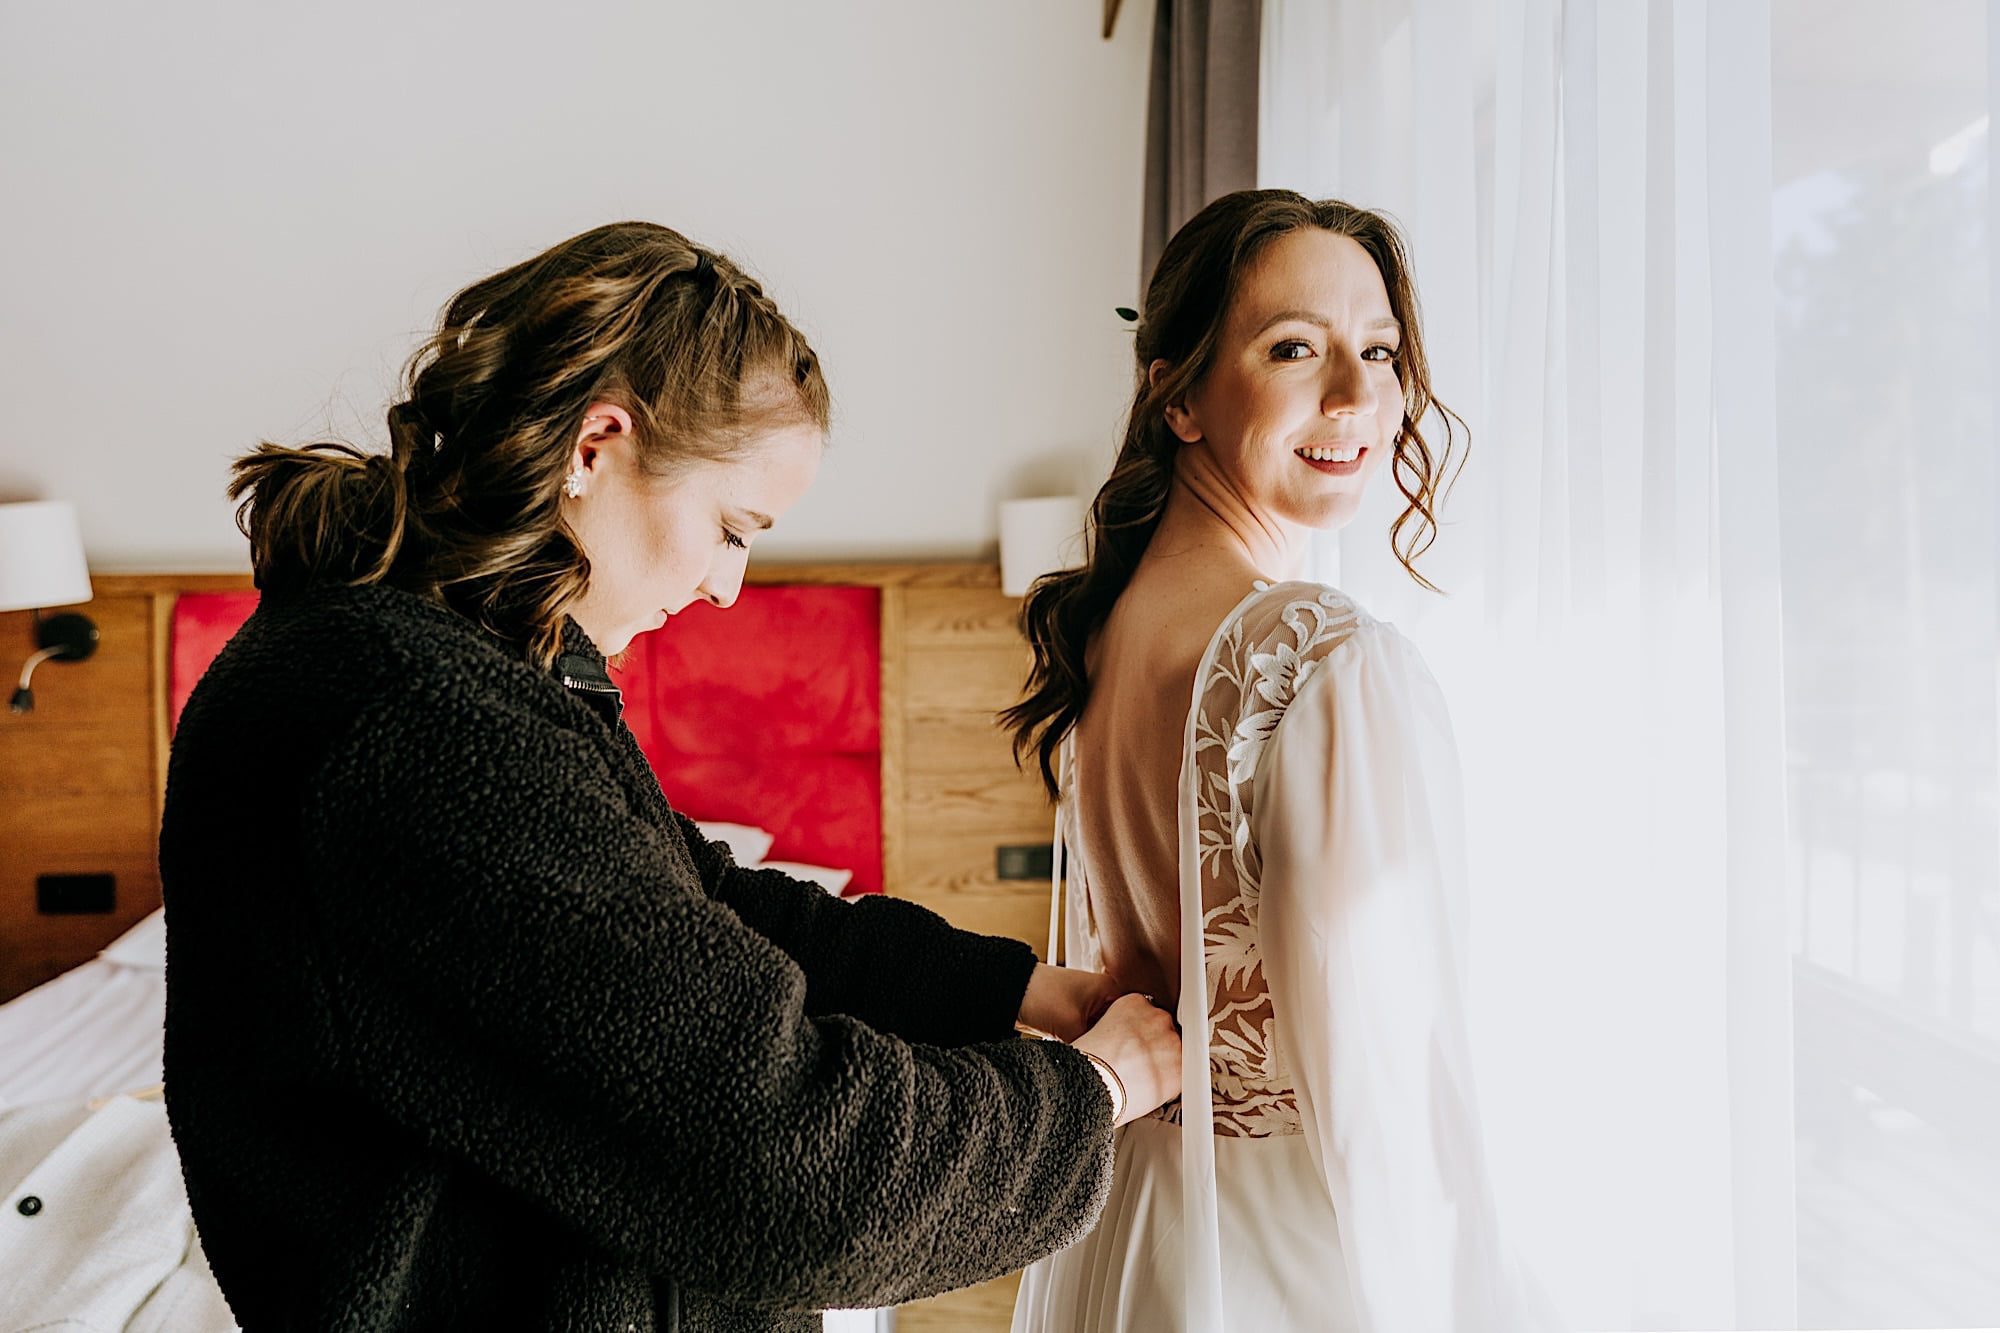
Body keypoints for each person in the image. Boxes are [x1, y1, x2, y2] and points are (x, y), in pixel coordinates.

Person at [157, 221, 1181, 1332]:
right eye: (732, 528)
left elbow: (705, 901)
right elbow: (793, 1174)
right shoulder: (416, 721)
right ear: (596, 445)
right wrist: (1093, 1091)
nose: (727, 588)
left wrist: (1016, 988)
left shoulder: (463, 664)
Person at [1004, 191, 1536, 1332]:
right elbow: (1380, 1077)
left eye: (1378, 351)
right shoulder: (1322, 660)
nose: (1355, 396)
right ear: (1179, 396)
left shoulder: (1114, 629)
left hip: (1137, 1217)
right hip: (1286, 1256)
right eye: (1294, 347)